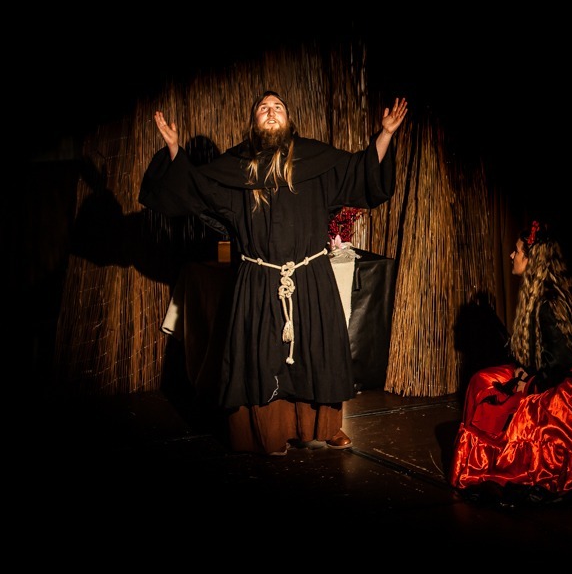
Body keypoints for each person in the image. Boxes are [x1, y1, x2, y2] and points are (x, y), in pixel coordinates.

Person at [140, 90, 407, 456]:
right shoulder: (236, 168)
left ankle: (324, 426)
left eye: (277, 107)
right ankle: (266, 432)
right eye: (263, 107)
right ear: (254, 121)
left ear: (288, 119)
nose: (271, 111)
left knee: (317, 352)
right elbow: (196, 190)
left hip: (311, 277)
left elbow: (361, 172)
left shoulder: (315, 160)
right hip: (259, 279)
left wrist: (386, 134)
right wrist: (174, 150)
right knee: (262, 358)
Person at [449, 220, 572, 502]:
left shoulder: (548, 302)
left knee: (493, 393)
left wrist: (529, 382)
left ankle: (488, 460)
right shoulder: (544, 295)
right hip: (560, 378)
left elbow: (559, 362)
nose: (511, 255)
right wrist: (526, 371)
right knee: (484, 378)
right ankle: (480, 453)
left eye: (517, 251)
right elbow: (549, 354)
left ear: (531, 260)